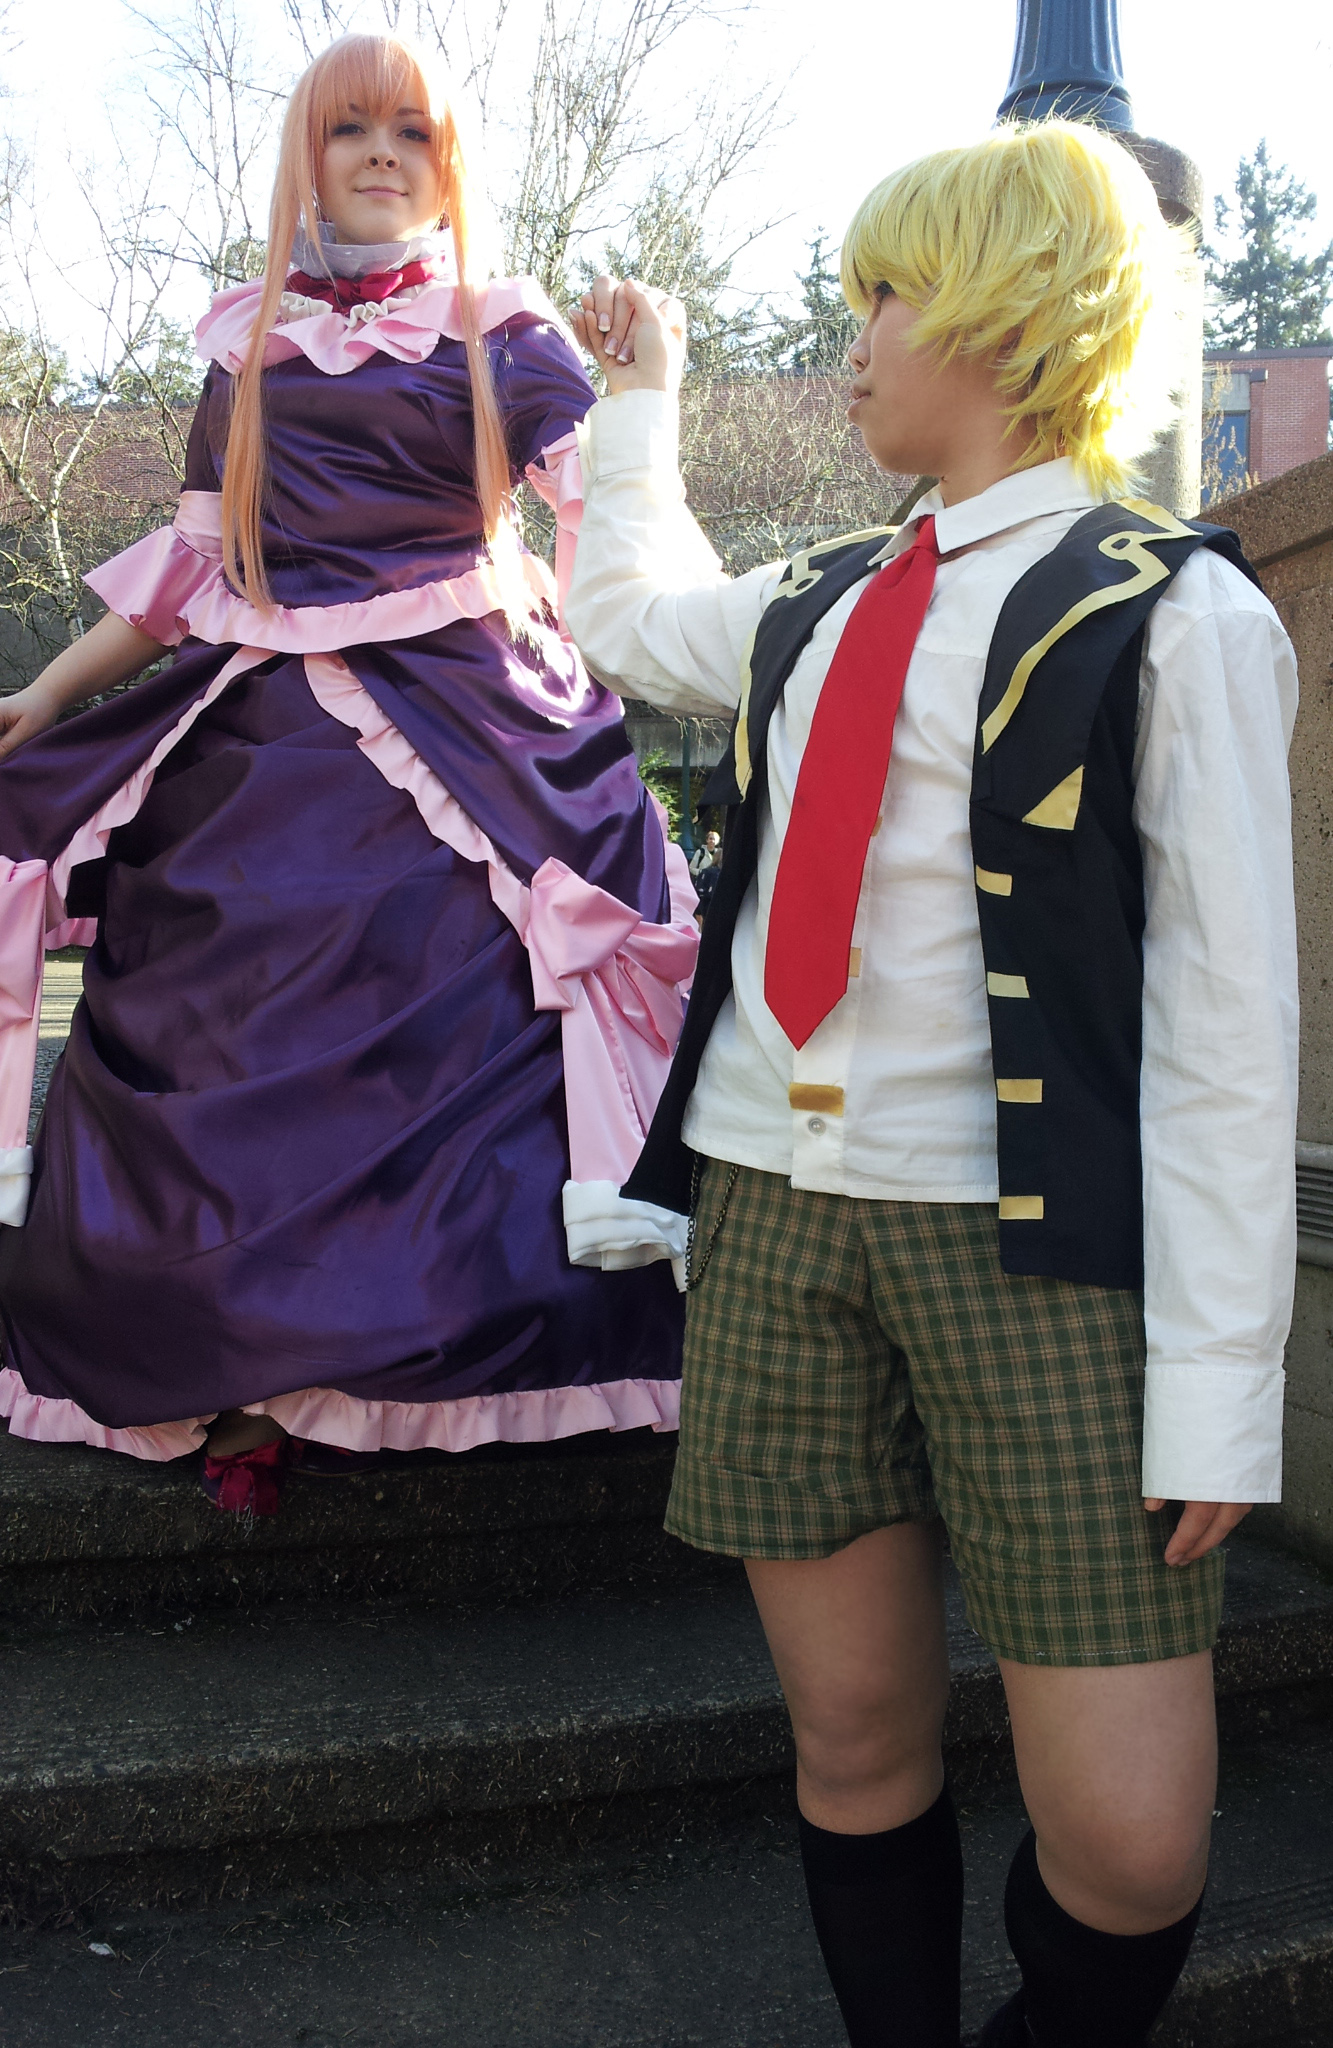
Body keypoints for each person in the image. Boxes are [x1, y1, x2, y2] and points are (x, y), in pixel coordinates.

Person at [565, 122, 1297, 2048]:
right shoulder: (816, 599)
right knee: (851, 1738)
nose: (856, 341)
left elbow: (1228, 1037)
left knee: (1131, 1844)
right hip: (768, 1219)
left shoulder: (1175, 611)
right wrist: (640, 405)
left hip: (1035, 1262)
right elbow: (624, 616)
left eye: (884, 297)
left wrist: (1220, 1390)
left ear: (1006, 310)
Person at [0, 33, 695, 1515]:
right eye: (350, 128)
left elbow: (606, 512)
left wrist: (644, 393)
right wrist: (48, 692)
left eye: (412, 132)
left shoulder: (503, 329)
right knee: (220, 990)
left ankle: (441, 1364)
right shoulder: (246, 345)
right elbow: (192, 562)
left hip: (471, 714)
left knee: (467, 992)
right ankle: (240, 1362)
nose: (382, 153)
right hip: (263, 727)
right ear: (305, 156)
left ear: (449, 163)